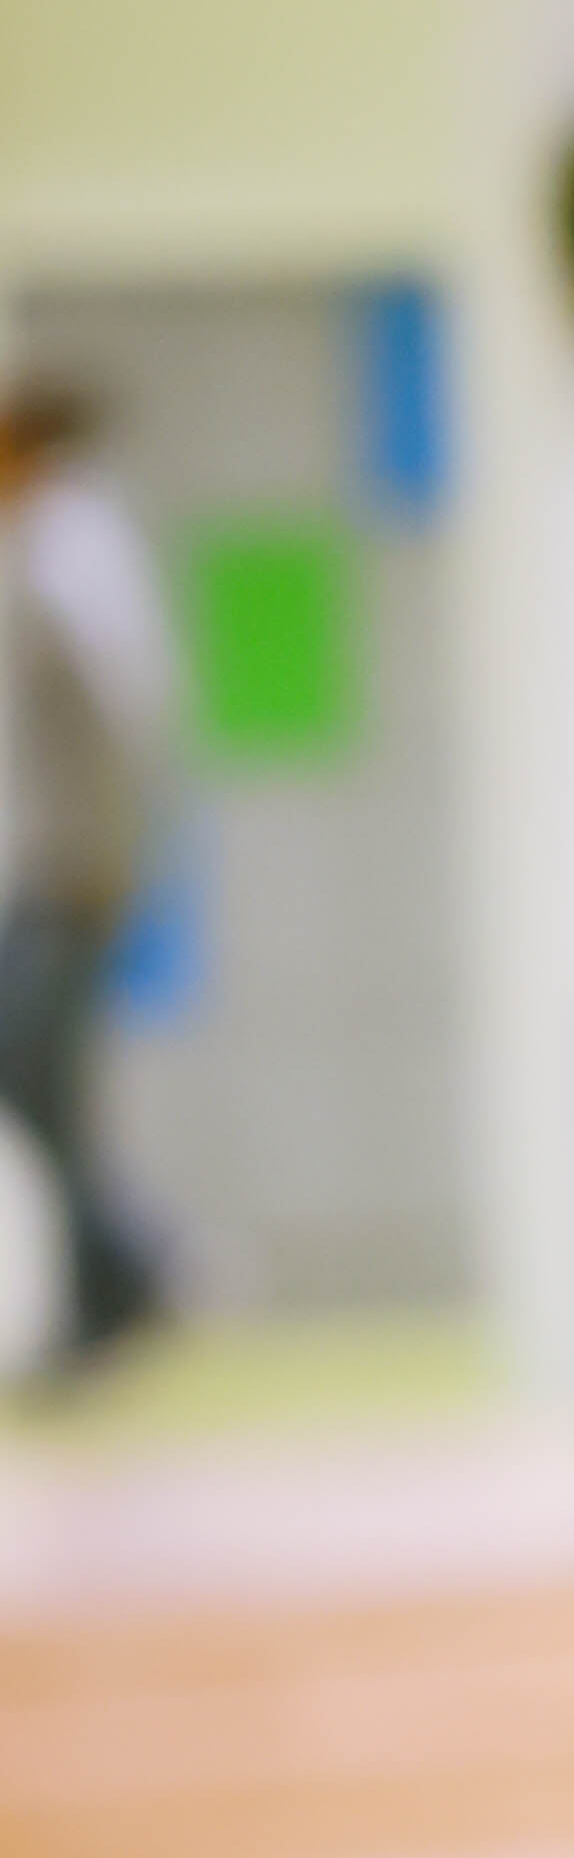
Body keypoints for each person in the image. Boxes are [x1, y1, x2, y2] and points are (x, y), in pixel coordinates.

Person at [0, 370, 184, 1389]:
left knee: (44, 1073)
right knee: (37, 1079)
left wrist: (116, 860)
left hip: (77, 867)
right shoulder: (40, 542)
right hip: (46, 862)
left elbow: (126, 712)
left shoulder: (74, 545)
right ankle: (125, 1269)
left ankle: (123, 1279)